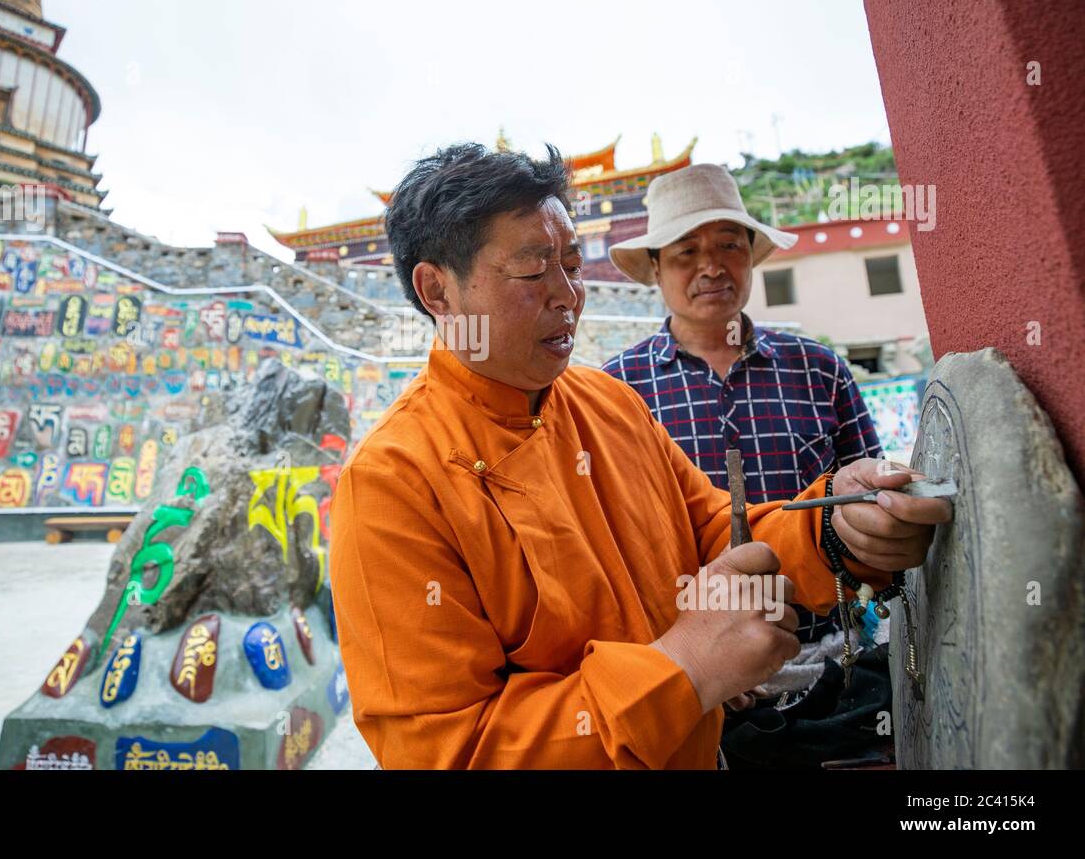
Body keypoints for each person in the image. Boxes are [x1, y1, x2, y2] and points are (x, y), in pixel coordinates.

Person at [327, 143, 948, 769]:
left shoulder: (608, 402)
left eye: (571, 265)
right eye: (534, 271)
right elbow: (446, 751)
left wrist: (832, 530)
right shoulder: (392, 482)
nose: (568, 295)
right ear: (438, 290)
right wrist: (682, 669)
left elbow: (714, 533)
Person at [601, 164, 888, 766]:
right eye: (687, 252)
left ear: (752, 258)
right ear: (655, 268)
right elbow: (614, 547)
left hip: (835, 664)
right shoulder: (615, 392)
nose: (711, 266)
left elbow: (871, 507)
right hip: (696, 685)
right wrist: (694, 661)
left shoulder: (817, 368)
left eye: (729, 245)